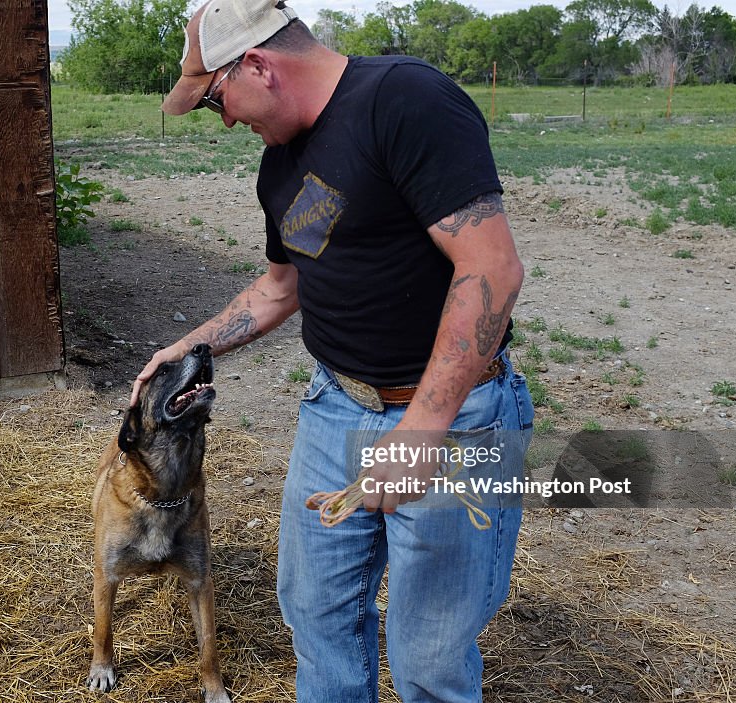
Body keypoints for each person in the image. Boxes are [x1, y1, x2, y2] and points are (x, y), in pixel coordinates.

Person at [131, 0, 535, 700]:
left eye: (217, 99)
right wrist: (186, 346)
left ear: (258, 63)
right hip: (336, 410)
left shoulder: (405, 101)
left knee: (428, 657)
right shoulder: (282, 167)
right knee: (317, 621)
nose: (225, 120)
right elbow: (281, 289)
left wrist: (420, 431)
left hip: (453, 416)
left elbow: (491, 269)